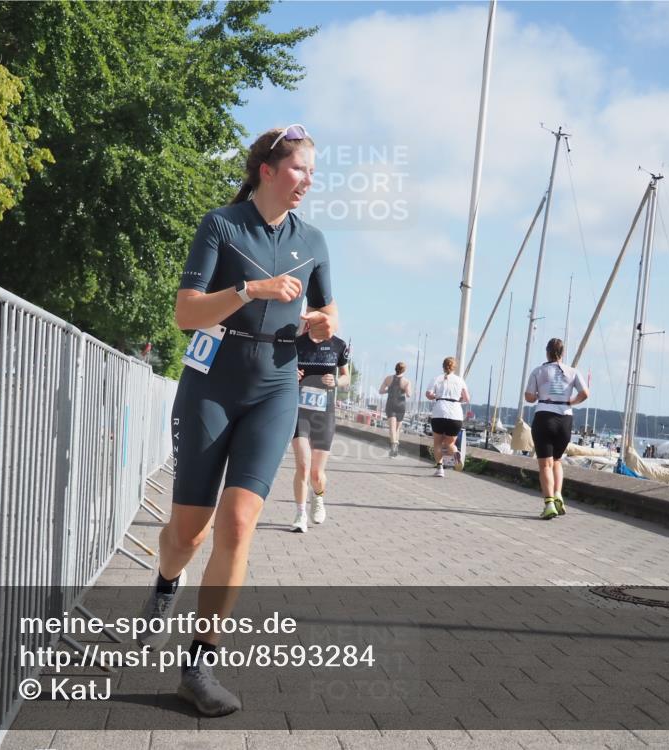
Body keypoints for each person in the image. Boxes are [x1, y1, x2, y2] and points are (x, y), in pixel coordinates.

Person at [138, 124, 338, 716]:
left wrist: (324, 324)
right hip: (211, 384)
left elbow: (328, 308)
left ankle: (198, 667)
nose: (309, 180)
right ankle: (164, 586)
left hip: (278, 384)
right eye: (300, 168)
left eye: (312, 171)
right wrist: (251, 289)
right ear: (269, 170)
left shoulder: (316, 241)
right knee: (188, 534)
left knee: (239, 523)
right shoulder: (221, 224)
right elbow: (184, 312)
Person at [290, 333, 350, 532]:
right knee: (303, 465)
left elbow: (346, 377)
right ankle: (300, 514)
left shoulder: (338, 345)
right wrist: (291, 374)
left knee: (316, 474)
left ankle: (318, 496)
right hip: (299, 411)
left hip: (324, 414)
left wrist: (335, 381)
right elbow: (280, 368)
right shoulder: (296, 343)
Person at [524, 338, 589, 520]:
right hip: (565, 418)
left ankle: (549, 503)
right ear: (562, 353)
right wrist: (572, 401)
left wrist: (538, 395)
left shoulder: (538, 371)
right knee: (558, 460)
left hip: (544, 415)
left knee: (545, 464)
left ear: (547, 352)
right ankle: (558, 493)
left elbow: (529, 397)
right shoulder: (573, 372)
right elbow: (585, 393)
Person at [425, 356, 470, 478]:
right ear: (454, 367)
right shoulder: (460, 380)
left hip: (439, 412)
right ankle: (455, 453)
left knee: (438, 443)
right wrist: (458, 399)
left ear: (443, 366)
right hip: (455, 413)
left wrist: (436, 396)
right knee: (450, 443)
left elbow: (428, 394)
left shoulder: (436, 379)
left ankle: (440, 469)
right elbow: (467, 398)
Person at [379, 363, 412, 457]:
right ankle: (395, 447)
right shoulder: (406, 381)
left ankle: (394, 446)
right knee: (397, 428)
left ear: (395, 369)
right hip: (401, 406)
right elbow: (409, 394)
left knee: (392, 429)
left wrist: (388, 390)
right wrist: (405, 389)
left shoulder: (388, 379)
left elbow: (380, 391)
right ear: (404, 370)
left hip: (391, 404)